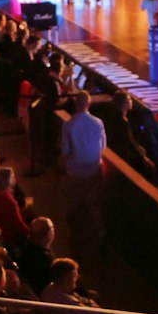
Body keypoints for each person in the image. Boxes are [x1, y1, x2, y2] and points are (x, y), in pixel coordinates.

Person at [60, 91, 107, 253]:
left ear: (75, 104)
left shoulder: (68, 125)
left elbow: (65, 150)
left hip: (75, 172)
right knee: (95, 205)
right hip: (94, 171)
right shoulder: (98, 123)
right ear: (89, 104)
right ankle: (100, 234)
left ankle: (74, 236)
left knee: (74, 204)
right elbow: (103, 147)